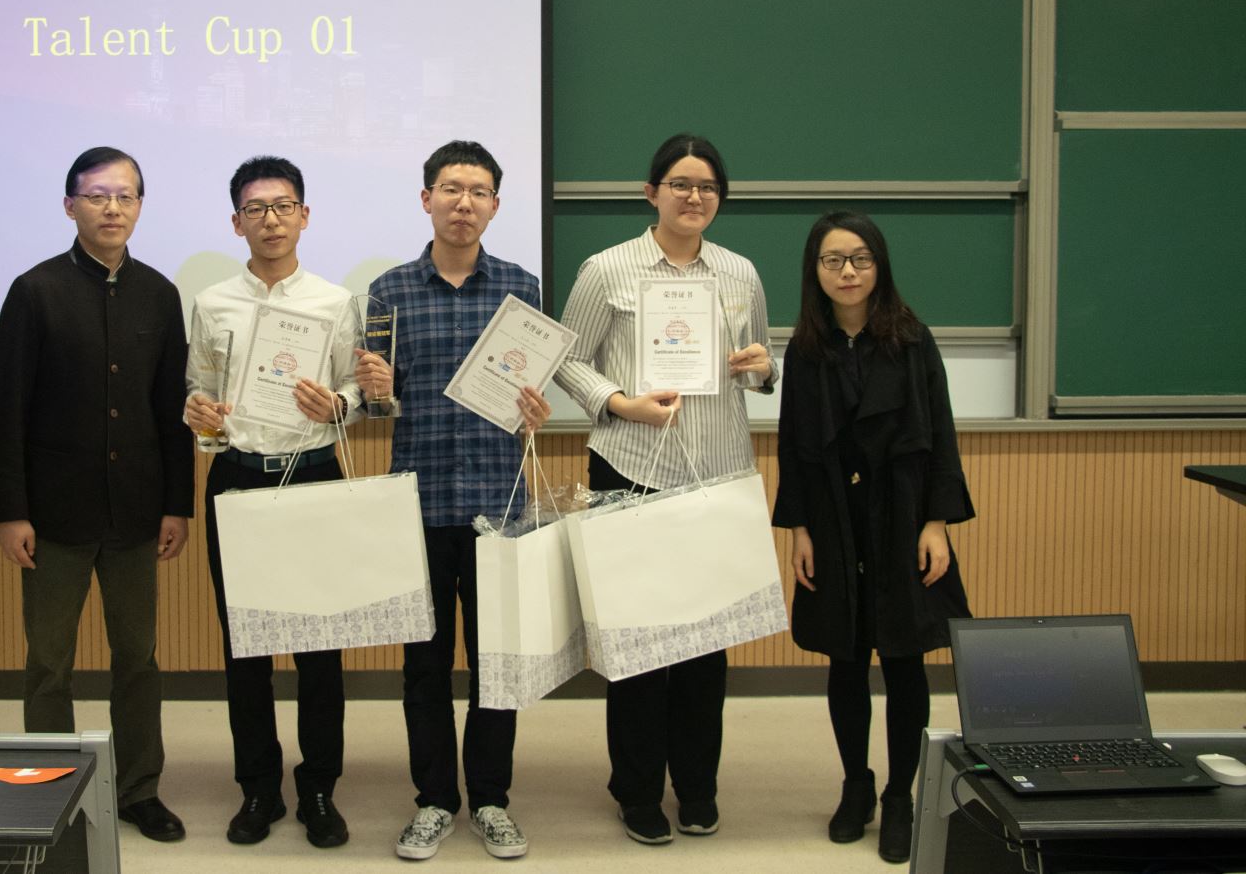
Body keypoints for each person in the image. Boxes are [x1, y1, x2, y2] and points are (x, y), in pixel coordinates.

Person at [553, 133, 776, 846]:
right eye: (680, 184)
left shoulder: (739, 273)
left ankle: (698, 788)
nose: (694, 197)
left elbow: (761, 366)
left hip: (717, 474)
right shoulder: (606, 269)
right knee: (639, 644)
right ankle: (638, 789)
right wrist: (620, 403)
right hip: (631, 467)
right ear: (652, 192)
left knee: (707, 646)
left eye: (707, 187)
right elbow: (566, 359)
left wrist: (761, 366)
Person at [0, 146, 192, 843]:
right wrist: (10, 512)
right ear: (70, 205)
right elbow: (5, 413)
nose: (112, 208)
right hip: (53, 516)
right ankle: (49, 791)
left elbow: (171, 412)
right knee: (49, 663)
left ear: (140, 207)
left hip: (136, 512)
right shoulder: (34, 291)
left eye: (125, 196)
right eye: (98, 195)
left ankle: (139, 790)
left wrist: (178, 504)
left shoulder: (159, 294)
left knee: (138, 659)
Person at [355, 140, 550, 862]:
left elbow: (532, 398)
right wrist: (376, 394)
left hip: (500, 506)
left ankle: (491, 799)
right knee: (425, 667)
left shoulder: (522, 288)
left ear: (495, 205)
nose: (463, 203)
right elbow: (376, 408)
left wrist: (536, 410)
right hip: (421, 504)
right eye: (450, 189)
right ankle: (435, 801)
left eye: (478, 191)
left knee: (498, 664)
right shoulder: (389, 292)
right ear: (426, 199)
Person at [772, 210, 974, 865]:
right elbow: (794, 445)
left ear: (879, 266)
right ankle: (855, 785)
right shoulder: (807, 350)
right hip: (832, 518)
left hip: (902, 517)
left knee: (906, 660)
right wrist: (799, 528)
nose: (848, 272)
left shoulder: (913, 340)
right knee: (846, 657)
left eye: (860, 258)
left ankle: (899, 796)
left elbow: (941, 434)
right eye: (833, 260)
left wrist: (937, 523)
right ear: (815, 271)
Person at [184, 155, 362, 850]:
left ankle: (319, 787)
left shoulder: (334, 302)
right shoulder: (211, 303)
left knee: (319, 649)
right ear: (237, 222)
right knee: (245, 648)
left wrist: (339, 403)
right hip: (239, 479)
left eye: (283, 206)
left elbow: (358, 390)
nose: (271, 220)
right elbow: (197, 391)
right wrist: (198, 412)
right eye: (256, 209)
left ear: (304, 216)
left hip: (312, 475)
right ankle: (258, 787)